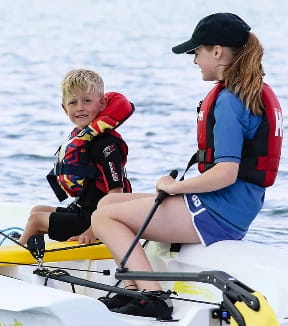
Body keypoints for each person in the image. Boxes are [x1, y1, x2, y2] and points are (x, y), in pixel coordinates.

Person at [91, 13, 282, 320]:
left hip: (220, 211)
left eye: (197, 52)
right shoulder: (252, 90)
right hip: (235, 205)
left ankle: (151, 296)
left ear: (217, 51)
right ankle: (133, 286)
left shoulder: (231, 100)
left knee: (104, 217)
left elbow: (226, 173)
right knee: (108, 201)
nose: (194, 60)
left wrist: (175, 187)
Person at [18, 69, 133, 245]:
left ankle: (11, 262)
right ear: (64, 108)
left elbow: (117, 194)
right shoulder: (84, 138)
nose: (80, 107)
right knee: (37, 210)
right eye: (73, 102)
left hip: (98, 220)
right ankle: (35, 257)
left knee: (36, 221)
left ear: (102, 103)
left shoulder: (106, 145)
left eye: (87, 101)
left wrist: (92, 231)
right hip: (84, 211)